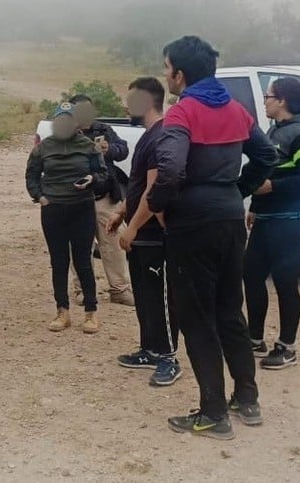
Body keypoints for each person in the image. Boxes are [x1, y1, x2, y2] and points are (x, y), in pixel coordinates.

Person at [148, 35, 278, 441]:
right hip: (229, 219)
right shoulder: (236, 109)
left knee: (196, 318)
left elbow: (169, 170)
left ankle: (213, 414)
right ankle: (247, 399)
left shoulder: (182, 112)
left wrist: (159, 207)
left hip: (193, 224)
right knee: (229, 311)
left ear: (179, 74)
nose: (165, 75)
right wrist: (237, 191)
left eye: (166, 67)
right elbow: (266, 155)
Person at [244, 77, 300, 371]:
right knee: (251, 274)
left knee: (284, 280)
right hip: (267, 218)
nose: (264, 101)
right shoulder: (275, 130)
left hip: (292, 219)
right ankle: (254, 338)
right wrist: (255, 206)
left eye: (268, 97)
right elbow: (266, 171)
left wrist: (272, 189)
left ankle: (287, 347)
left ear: (281, 101)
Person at [106, 77, 182, 387]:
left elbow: (155, 188)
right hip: (140, 233)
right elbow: (138, 184)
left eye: (131, 100)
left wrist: (133, 227)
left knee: (160, 296)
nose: (126, 106)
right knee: (144, 295)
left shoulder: (161, 135)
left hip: (152, 235)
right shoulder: (148, 136)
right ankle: (149, 349)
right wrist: (122, 212)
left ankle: (168, 357)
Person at [27, 102, 109, 334]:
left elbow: (103, 174)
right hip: (53, 210)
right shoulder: (43, 147)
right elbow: (32, 174)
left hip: (81, 208)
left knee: (83, 261)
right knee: (59, 262)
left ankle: (91, 312)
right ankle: (62, 312)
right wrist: (39, 196)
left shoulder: (88, 146)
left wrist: (92, 180)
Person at [69, 94, 135, 307]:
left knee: (113, 245)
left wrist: (110, 149)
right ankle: (82, 290)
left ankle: (119, 289)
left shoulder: (103, 129)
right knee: (80, 247)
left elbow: (123, 150)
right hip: (77, 199)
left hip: (104, 198)